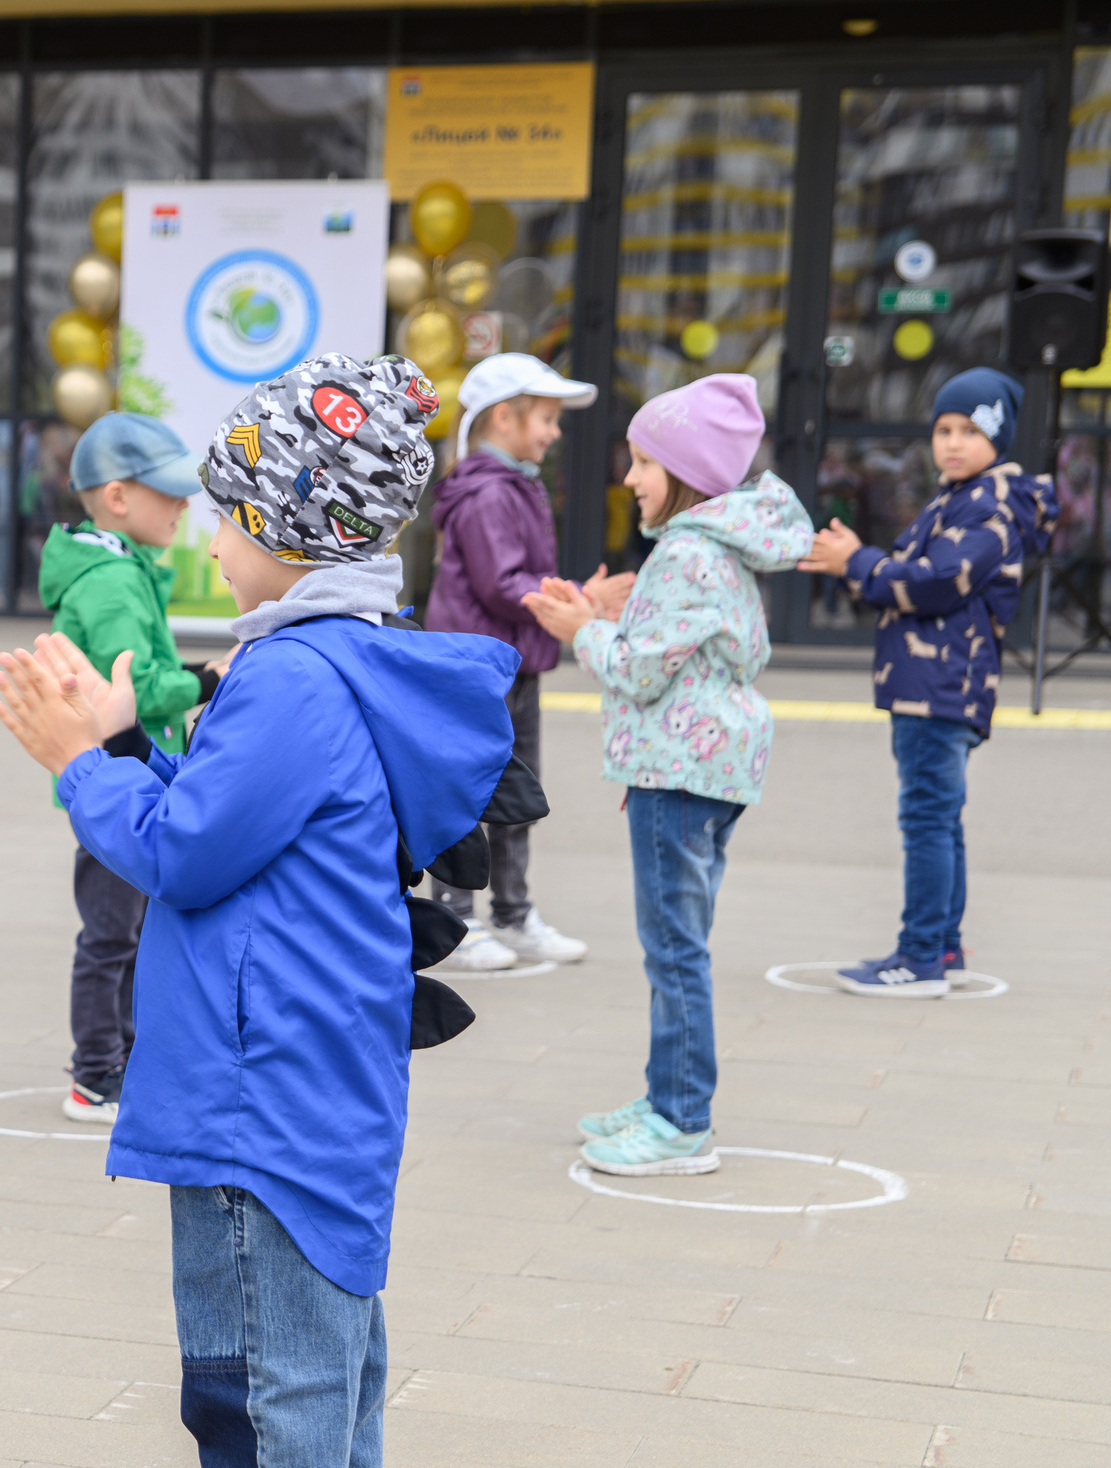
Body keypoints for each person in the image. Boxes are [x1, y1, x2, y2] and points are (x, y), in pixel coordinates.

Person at [0, 355, 515, 1468]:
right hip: (307, 1074)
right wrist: (128, 743)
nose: (210, 539)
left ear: (295, 531)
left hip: (255, 1086)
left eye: (228, 514)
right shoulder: (335, 663)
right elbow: (236, 818)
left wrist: (79, 764)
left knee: (257, 1376)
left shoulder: (291, 674)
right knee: (325, 1362)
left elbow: (186, 850)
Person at [524, 374, 812, 1176]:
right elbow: (685, 651)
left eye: (643, 461)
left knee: (674, 950)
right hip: (710, 768)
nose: (628, 478)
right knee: (679, 944)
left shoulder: (685, 551)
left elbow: (641, 675)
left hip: (678, 775)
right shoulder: (714, 545)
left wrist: (584, 631)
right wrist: (608, 615)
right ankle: (664, 1096)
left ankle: (681, 1120)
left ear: (683, 470)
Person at [796, 366, 1054, 997]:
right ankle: (942, 945)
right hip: (929, 686)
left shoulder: (987, 510)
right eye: (943, 429)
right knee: (943, 818)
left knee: (927, 820)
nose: (953, 442)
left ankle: (918, 959)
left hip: (939, 689)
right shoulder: (958, 499)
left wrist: (856, 561)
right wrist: (865, 558)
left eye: (970, 429)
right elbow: (916, 570)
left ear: (1000, 437)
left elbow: (935, 582)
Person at [37, 411, 216, 1124]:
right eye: (168, 492)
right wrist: (200, 682)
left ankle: (130, 1059)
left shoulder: (123, 565)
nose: (182, 505)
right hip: (112, 782)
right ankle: (96, 1073)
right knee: (114, 932)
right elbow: (130, 683)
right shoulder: (111, 581)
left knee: (134, 929)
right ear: (117, 497)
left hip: (124, 776)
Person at [426, 353, 612, 971]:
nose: (555, 432)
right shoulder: (488, 494)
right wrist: (576, 599)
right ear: (504, 418)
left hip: (510, 667)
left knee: (515, 791)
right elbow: (500, 581)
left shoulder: (511, 484)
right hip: (480, 670)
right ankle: (456, 917)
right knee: (469, 793)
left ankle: (510, 912)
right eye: (547, 419)